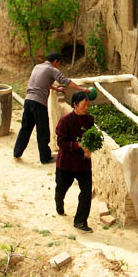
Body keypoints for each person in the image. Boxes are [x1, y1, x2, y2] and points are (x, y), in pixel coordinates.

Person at [13, 52, 89, 164]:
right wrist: (81, 89)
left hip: (28, 100)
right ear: (55, 61)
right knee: (43, 130)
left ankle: (17, 152)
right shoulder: (52, 69)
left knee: (25, 128)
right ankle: (45, 157)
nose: (58, 65)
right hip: (39, 103)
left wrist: (56, 90)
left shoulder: (37, 67)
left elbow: (42, 83)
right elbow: (65, 81)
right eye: (58, 63)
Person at [54, 91, 94, 232]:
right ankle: (59, 203)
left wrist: (90, 149)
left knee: (86, 192)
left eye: (87, 105)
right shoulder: (65, 121)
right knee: (61, 188)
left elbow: (92, 138)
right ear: (75, 105)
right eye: (84, 105)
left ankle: (80, 221)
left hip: (83, 164)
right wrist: (78, 145)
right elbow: (61, 142)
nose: (86, 108)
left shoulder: (90, 120)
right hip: (67, 163)